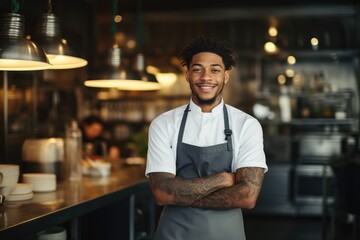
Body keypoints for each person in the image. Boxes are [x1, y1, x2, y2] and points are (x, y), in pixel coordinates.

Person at [145, 36, 268, 240]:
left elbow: (247, 196)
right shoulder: (163, 124)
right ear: (187, 75)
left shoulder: (246, 125)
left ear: (225, 77)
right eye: (197, 69)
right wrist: (223, 179)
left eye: (215, 70)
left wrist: (181, 194)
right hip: (174, 234)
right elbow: (162, 192)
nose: (205, 77)